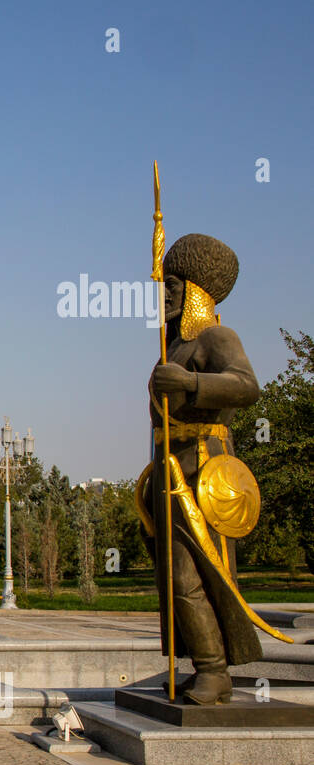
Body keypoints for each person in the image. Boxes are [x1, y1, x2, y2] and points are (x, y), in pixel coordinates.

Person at [138, 233, 267, 705]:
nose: (164, 293)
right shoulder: (171, 346)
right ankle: (202, 664)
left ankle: (215, 670)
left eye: (172, 284)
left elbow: (246, 385)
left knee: (198, 573)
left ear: (196, 291)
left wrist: (191, 382)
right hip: (169, 468)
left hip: (204, 470)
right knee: (175, 576)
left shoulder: (217, 337)